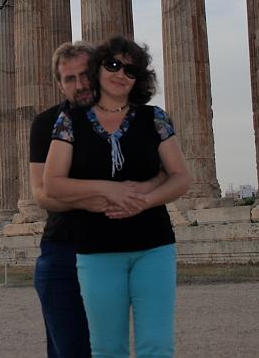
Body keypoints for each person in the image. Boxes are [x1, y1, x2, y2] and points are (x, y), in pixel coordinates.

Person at [44, 35, 192, 357]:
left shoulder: (155, 118)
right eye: (113, 64)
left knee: (157, 347)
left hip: (154, 247)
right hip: (97, 251)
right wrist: (106, 188)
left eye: (130, 69)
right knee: (108, 349)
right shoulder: (70, 121)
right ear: (98, 69)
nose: (120, 73)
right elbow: (52, 184)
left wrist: (144, 201)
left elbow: (181, 177)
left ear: (139, 79)